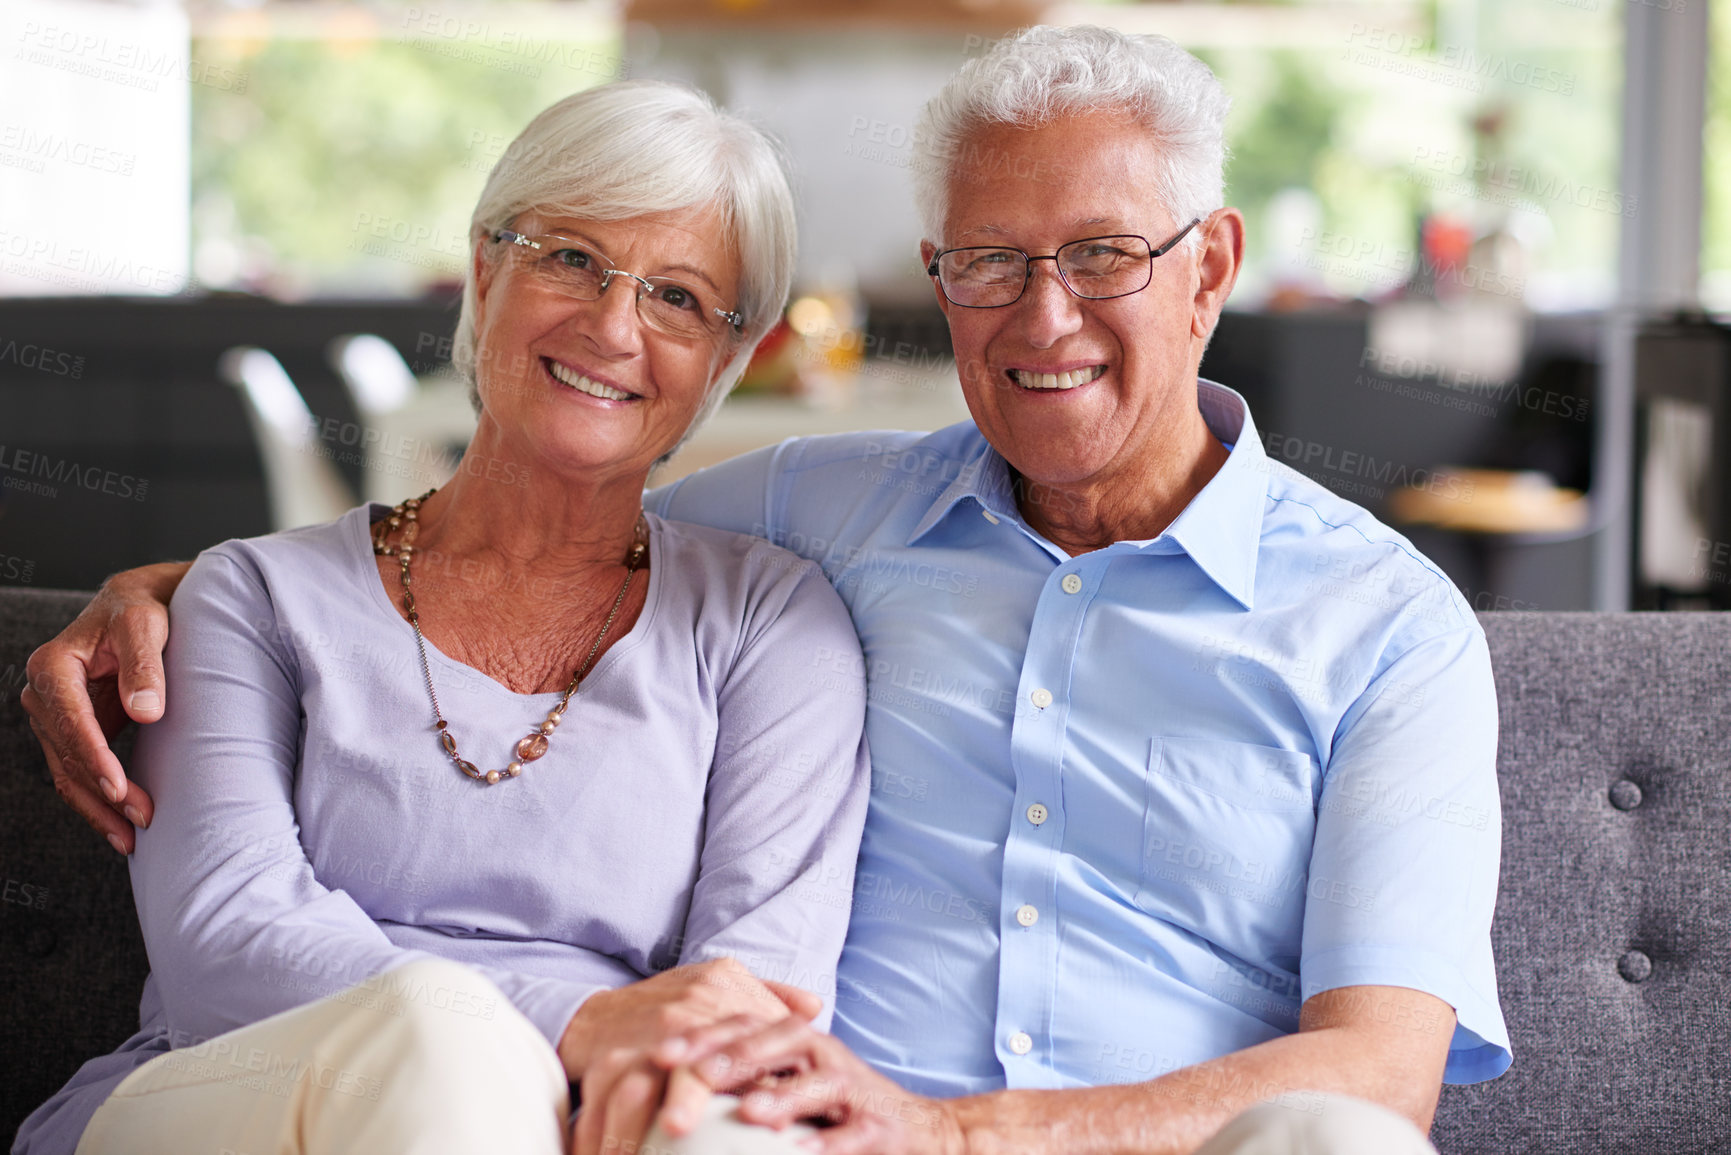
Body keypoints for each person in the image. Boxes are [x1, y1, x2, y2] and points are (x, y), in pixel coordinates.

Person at [24, 26, 1510, 1155]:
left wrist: (957, 1129)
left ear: (1209, 269)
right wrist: (196, 587)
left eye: (1102, 255)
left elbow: (1377, 1068)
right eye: (988, 260)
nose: (1041, 313)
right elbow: (550, 502)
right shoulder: (828, 515)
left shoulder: (1385, 628)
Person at [13, 80, 874, 1155]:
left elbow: (756, 1003)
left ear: (728, 363)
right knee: (438, 1036)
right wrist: (580, 1020)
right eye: (569, 258)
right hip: (243, 1093)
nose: (613, 325)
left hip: (599, 1114)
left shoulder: (772, 626)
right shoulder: (254, 597)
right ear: (483, 269)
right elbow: (222, 944)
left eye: (680, 299)